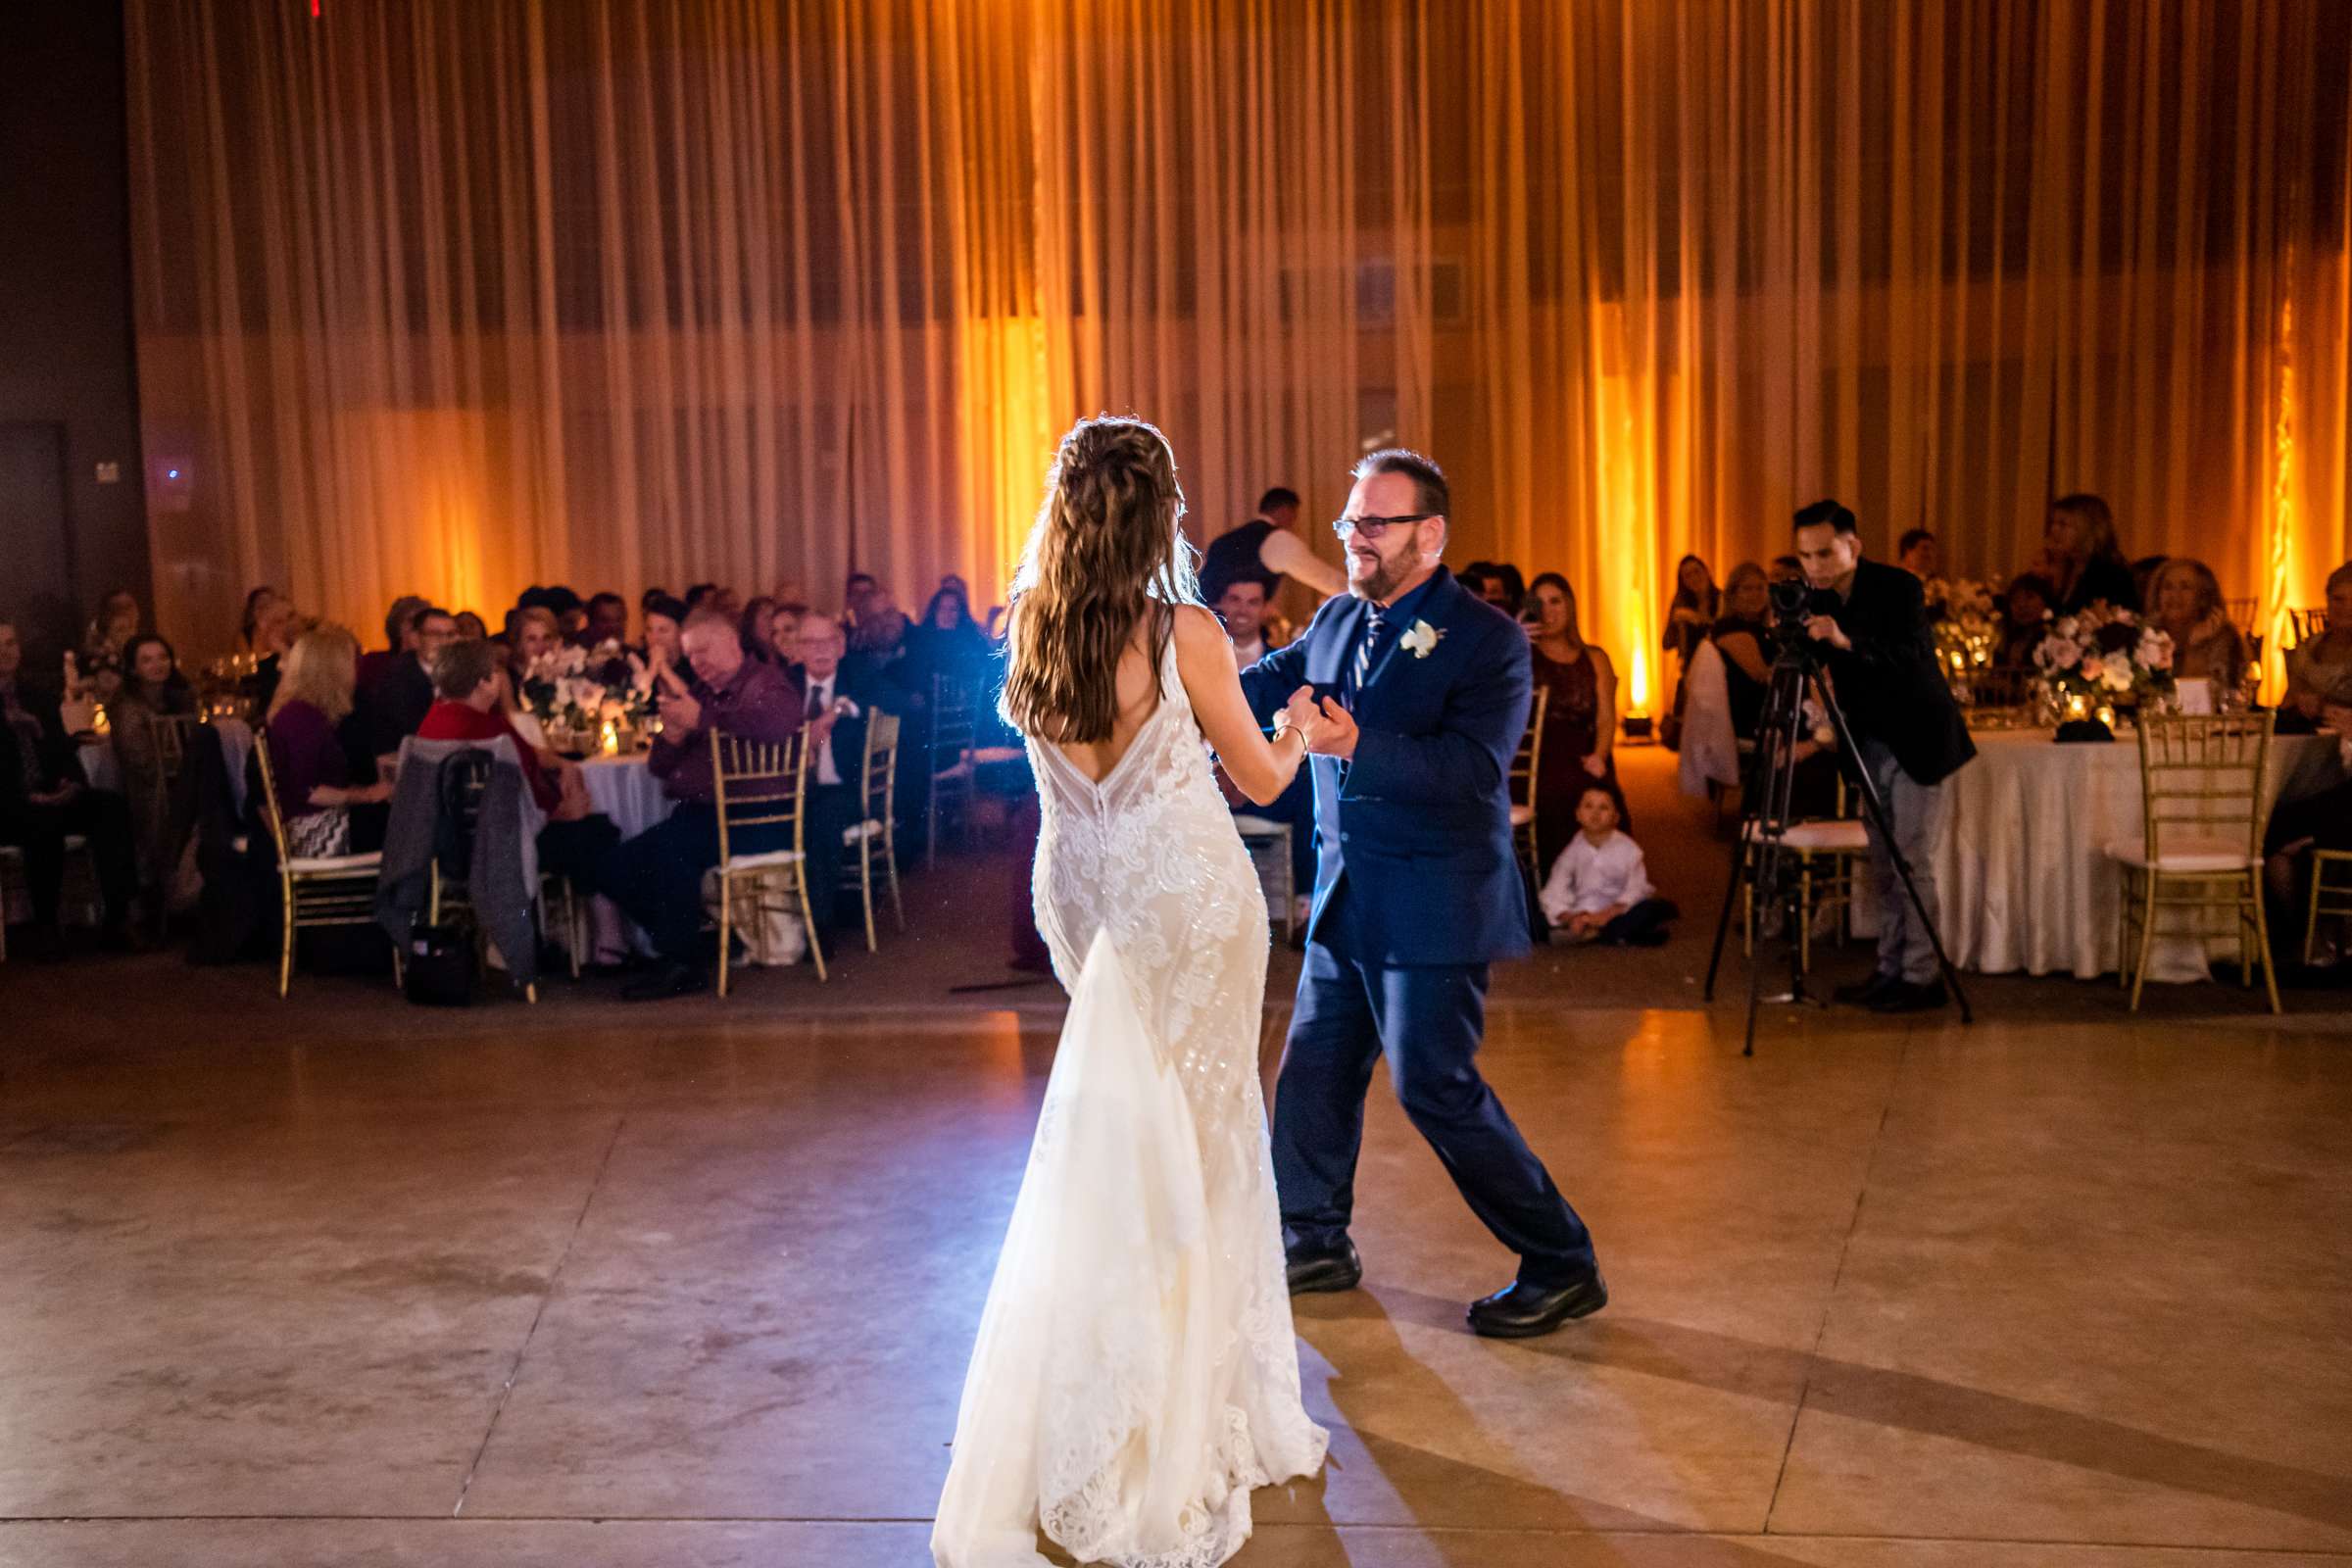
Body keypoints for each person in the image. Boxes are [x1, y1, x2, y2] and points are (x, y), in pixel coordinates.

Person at [933, 416, 1326, 1568]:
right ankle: (1194, 1410)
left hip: (1091, 902)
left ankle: (1115, 1396)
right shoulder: (1184, 628)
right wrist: (1299, 725)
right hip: (1193, 906)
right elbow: (1255, 778)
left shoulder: (1032, 632)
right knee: (1204, 1147)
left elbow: (1064, 805)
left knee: (1119, 1144)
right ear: (1162, 510)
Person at [1236, 447, 1605, 1342]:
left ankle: (1562, 1262)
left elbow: (1473, 770)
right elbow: (1253, 689)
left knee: (1436, 1086)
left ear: (1429, 535)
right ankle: (1312, 1237)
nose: (1353, 537)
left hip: (1437, 900)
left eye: (1374, 522)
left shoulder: (1486, 640)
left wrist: (1357, 744)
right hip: (1347, 895)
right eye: (1349, 522)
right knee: (1316, 1069)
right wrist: (1157, 683)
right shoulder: (1332, 619)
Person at [1794, 500, 1976, 1012]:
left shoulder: (1899, 588)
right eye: (1805, 557)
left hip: (1917, 741)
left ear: (1854, 546)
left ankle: (1922, 977)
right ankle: (1891, 968)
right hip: (1867, 744)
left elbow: (1910, 654)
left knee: (1911, 861)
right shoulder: (1816, 598)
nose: (1816, 567)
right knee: (1882, 864)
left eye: (1825, 553)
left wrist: (1843, 638)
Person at [594, 606, 804, 1001]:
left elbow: (776, 725)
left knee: (673, 852)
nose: (697, 663)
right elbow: (658, 767)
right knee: (612, 867)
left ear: (730, 642)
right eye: (690, 655)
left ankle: (681, 963)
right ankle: (687, 947)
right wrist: (672, 737)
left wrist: (702, 720)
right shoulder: (703, 694)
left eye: (703, 651)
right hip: (702, 816)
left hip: (755, 816)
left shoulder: (766, 683)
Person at [416, 638, 618, 886]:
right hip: (502, 846)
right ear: (485, 682)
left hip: (446, 849)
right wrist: (560, 813)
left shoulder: (430, 722)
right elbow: (522, 799)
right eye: (495, 672)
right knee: (598, 833)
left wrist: (563, 764)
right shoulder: (493, 733)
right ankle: (596, 924)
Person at [0, 620, 140, 953]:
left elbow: (62, 748)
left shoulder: (37, 695)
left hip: (48, 792)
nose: (6, 652)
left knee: (110, 807)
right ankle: (46, 925)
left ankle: (117, 919)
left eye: (10, 643)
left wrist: (71, 782)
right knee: (40, 821)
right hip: (8, 801)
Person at [1210, 577, 1315, 924]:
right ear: (1221, 603)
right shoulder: (1202, 656)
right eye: (1235, 599)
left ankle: (1305, 900)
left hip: (1265, 776)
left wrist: (1245, 770)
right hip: (1209, 778)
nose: (1243, 609)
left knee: (1307, 782)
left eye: (1253, 602)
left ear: (1265, 609)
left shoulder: (1283, 665)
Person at [788, 616, 887, 935]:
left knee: (822, 819)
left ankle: (819, 926)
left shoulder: (858, 674)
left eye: (827, 641)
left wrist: (838, 710)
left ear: (841, 646)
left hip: (844, 790)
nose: (820, 649)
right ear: (797, 650)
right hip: (792, 787)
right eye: (810, 643)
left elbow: (896, 699)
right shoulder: (784, 683)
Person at [1524, 571, 1626, 869]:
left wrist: (1600, 755)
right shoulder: (1523, 654)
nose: (1548, 611)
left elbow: (1607, 716)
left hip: (1585, 751)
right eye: (1539, 603)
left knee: (1596, 797)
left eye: (1555, 601)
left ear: (1570, 605)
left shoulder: (1595, 657)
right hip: (1538, 755)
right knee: (1553, 795)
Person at [265, 625, 393, 857]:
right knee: (407, 823)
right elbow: (308, 791)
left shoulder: (304, 713)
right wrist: (364, 795)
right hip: (316, 832)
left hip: (318, 821)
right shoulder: (301, 718)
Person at [108, 632, 198, 924]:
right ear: (133, 669)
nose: (158, 665)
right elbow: (140, 761)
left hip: (184, 783)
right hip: (150, 792)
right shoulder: (127, 708)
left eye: (162, 657)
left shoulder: (183, 698)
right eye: (147, 660)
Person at [1539, 786, 1677, 946]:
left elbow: (1637, 887)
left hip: (1617, 909)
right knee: (1536, 919)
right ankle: (1606, 935)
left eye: (1603, 808)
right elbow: (1554, 889)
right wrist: (1569, 917)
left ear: (1616, 817)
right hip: (1581, 909)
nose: (1595, 813)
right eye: (1588, 806)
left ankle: (1599, 933)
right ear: (1578, 814)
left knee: (1648, 910)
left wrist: (1608, 914)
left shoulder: (1629, 849)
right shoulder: (1571, 851)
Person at [1198, 484, 1348, 606]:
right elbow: (1324, 578)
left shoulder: (1223, 540)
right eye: (1294, 515)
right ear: (1285, 511)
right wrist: (1360, 591)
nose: (1294, 522)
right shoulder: (1278, 539)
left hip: (1205, 621)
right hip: (1239, 628)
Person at [360, 605, 454, 758]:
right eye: (435, 634)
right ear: (416, 638)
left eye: (450, 635)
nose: (444, 641)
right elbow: (412, 733)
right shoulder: (397, 677)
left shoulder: (463, 672)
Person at [2149, 558, 2247, 691]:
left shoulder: (2223, 639)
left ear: (2202, 598)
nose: (2175, 595)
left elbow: (2210, 700)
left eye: (2185, 587)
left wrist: (2195, 650)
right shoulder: (2147, 635)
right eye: (2167, 587)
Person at [2038, 493, 2138, 613]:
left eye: (2062, 524)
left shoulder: (2111, 574)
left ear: (2087, 529)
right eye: (2053, 523)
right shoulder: (2065, 567)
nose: (2053, 529)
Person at [2282, 563, 2352, 726]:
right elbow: (2287, 701)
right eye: (2338, 599)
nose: (2347, 607)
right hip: (2310, 737)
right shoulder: (2308, 649)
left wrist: (2326, 707)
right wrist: (2301, 701)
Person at [843, 572, 909, 662]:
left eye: (889, 613)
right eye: (876, 618)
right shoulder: (846, 640)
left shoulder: (915, 640)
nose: (885, 622)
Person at [1994, 573, 2057, 669]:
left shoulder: (2055, 637)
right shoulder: (2005, 636)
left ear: (2045, 600)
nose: (2021, 605)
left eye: (2030, 597)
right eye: (2015, 599)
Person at [640, 594, 690, 690]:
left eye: (663, 630)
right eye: (649, 629)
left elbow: (690, 701)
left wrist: (664, 668)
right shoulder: (638, 661)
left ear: (681, 632)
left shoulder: (694, 664)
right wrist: (652, 670)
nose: (654, 638)